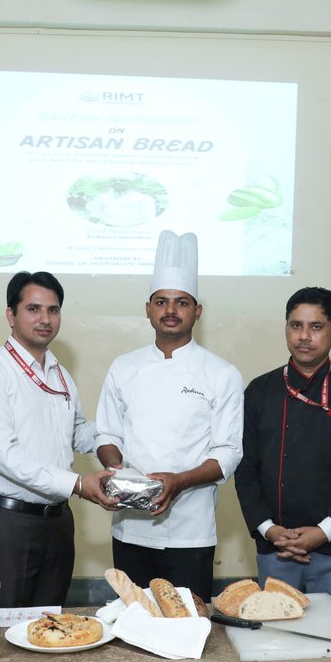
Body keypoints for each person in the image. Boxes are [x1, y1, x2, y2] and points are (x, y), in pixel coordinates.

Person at [96, 230, 243, 600]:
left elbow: (228, 452)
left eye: (181, 302)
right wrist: (117, 469)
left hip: (190, 532)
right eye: (161, 301)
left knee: (188, 627)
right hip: (129, 527)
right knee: (133, 623)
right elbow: (107, 435)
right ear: (148, 309)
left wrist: (179, 480)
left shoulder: (221, 373)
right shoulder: (124, 367)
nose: (171, 310)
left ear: (197, 311)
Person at [0, 271, 116, 608]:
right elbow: (4, 455)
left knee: (51, 626)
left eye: (53, 310)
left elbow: (76, 430)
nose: (45, 319)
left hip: (58, 521)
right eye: (33, 309)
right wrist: (77, 484)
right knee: (5, 631)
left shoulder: (59, 372)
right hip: (9, 525)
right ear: (10, 315)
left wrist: (111, 446)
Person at [234, 286, 331, 623]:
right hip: (275, 548)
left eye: (316, 327)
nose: (304, 336)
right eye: (296, 326)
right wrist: (267, 528)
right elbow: (246, 467)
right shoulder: (260, 390)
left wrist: (324, 530)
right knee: (279, 647)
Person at [86, 173, 157, 227]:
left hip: (132, 231)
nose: (117, 182)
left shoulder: (143, 198)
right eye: (114, 181)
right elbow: (95, 215)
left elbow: (149, 219)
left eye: (122, 180)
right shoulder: (102, 197)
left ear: (129, 183)